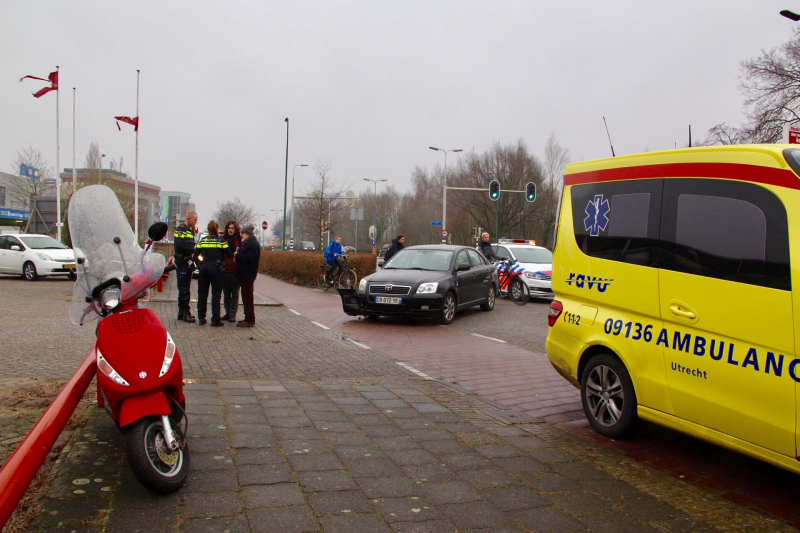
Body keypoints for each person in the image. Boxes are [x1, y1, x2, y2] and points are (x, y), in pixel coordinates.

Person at [193, 220, 232, 327]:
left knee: (202, 294)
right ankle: (215, 319)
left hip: (204, 268)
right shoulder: (221, 241)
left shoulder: (203, 241)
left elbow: (195, 255)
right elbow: (229, 254)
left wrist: (199, 265)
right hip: (216, 269)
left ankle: (201, 317)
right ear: (217, 229)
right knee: (216, 294)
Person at [174, 211, 198, 323]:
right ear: (188, 219)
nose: (196, 222)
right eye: (194, 220)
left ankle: (181, 312)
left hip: (188, 261)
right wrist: (193, 251)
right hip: (182, 261)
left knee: (185, 287)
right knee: (183, 289)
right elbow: (179, 246)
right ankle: (185, 312)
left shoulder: (190, 231)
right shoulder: (180, 230)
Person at [235, 224, 261, 327]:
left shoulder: (252, 244)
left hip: (248, 274)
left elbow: (249, 258)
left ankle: (250, 320)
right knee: (246, 297)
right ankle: (248, 318)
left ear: (247, 233)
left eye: (242, 233)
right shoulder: (249, 243)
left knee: (247, 298)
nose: (241, 235)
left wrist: (237, 255)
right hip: (245, 274)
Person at [221, 220, 241, 323]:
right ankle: (227, 312)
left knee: (235, 294)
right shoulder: (223, 240)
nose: (230, 230)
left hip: (235, 271)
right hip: (225, 270)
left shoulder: (239, 240)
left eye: (232, 228)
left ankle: (233, 314)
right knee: (226, 293)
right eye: (229, 228)